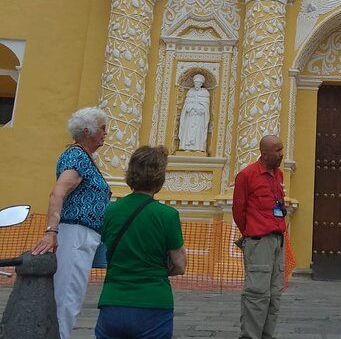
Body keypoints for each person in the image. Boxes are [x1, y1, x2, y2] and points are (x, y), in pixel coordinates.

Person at [31, 107, 110, 339]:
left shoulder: (83, 158)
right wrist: (51, 231)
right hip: (75, 234)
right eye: (103, 128)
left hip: (84, 235)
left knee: (71, 294)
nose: (106, 133)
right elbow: (58, 192)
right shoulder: (76, 156)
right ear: (87, 131)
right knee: (67, 296)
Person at [95, 145, 187, 339]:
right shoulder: (167, 215)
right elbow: (179, 264)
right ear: (159, 177)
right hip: (153, 302)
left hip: (113, 299)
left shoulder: (111, 211)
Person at [233, 135, 287, 339]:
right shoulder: (247, 176)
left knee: (274, 294)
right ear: (264, 154)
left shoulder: (279, 175)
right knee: (257, 293)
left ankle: (266, 335)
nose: (282, 154)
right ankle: (250, 336)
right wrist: (251, 233)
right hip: (259, 241)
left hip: (277, 240)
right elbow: (239, 210)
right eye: (278, 151)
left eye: (282, 149)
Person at [178, 74, 210, 151]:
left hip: (199, 117)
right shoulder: (190, 92)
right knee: (188, 131)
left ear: (201, 84)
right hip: (190, 116)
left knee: (198, 132)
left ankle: (198, 147)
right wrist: (191, 107)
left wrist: (201, 109)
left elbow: (206, 105)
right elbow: (186, 104)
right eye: (195, 83)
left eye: (198, 84)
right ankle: (187, 147)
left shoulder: (205, 92)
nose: (197, 85)